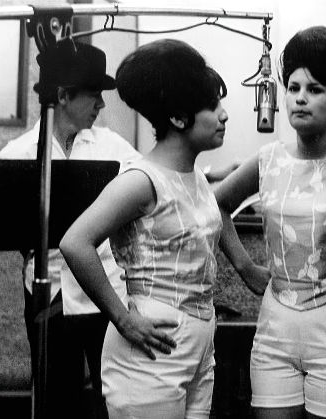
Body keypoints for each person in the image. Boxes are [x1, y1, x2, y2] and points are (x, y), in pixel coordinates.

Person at [215, 26, 326, 419]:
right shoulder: (268, 159)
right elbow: (215, 205)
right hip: (275, 323)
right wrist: (244, 266)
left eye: (314, 89)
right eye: (293, 88)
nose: (300, 98)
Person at [60, 38, 228, 419]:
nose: (224, 116)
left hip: (200, 346)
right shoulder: (140, 180)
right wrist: (122, 318)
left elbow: (215, 220)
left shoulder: (196, 176)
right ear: (179, 119)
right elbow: (75, 242)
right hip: (151, 349)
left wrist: (247, 267)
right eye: (213, 106)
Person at [0, 40, 141, 418]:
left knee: (117, 393)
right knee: (55, 399)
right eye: (93, 95)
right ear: (62, 96)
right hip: (50, 294)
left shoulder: (112, 146)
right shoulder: (20, 154)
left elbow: (152, 185)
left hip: (107, 289)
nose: (101, 105)